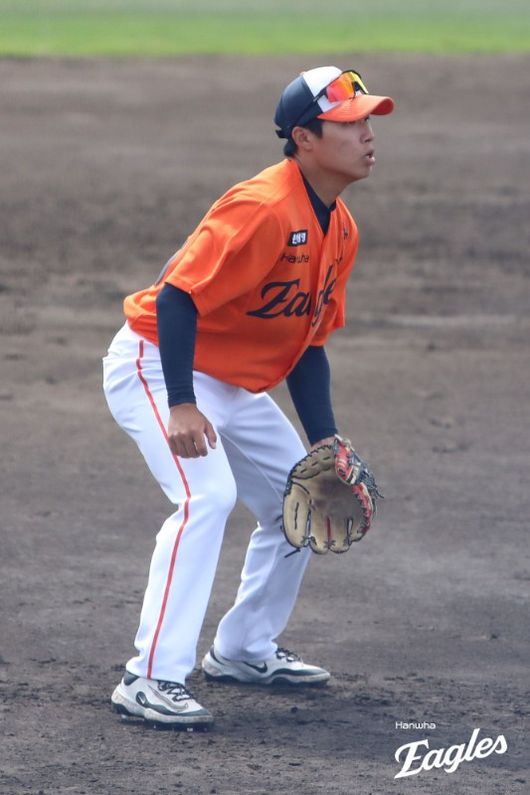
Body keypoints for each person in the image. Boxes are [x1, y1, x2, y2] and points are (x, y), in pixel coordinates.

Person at [102, 65, 394, 729]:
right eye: (350, 124)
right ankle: (149, 676)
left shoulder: (340, 228)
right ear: (304, 138)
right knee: (207, 496)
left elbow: (308, 343)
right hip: (159, 365)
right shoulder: (262, 206)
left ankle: (242, 648)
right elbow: (176, 298)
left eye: (368, 121)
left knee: (305, 495)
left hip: (229, 381)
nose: (368, 135)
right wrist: (182, 403)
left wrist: (325, 440)